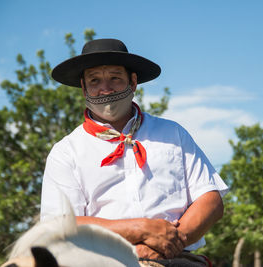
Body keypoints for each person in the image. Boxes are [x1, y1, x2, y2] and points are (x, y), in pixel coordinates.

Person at [41, 38, 229, 265]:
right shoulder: (66, 152)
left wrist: (167, 245)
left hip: (178, 260)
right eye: (94, 80)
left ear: (133, 82)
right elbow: (61, 224)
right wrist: (141, 229)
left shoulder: (173, 134)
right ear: (83, 87)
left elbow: (210, 200)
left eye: (115, 78)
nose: (105, 89)